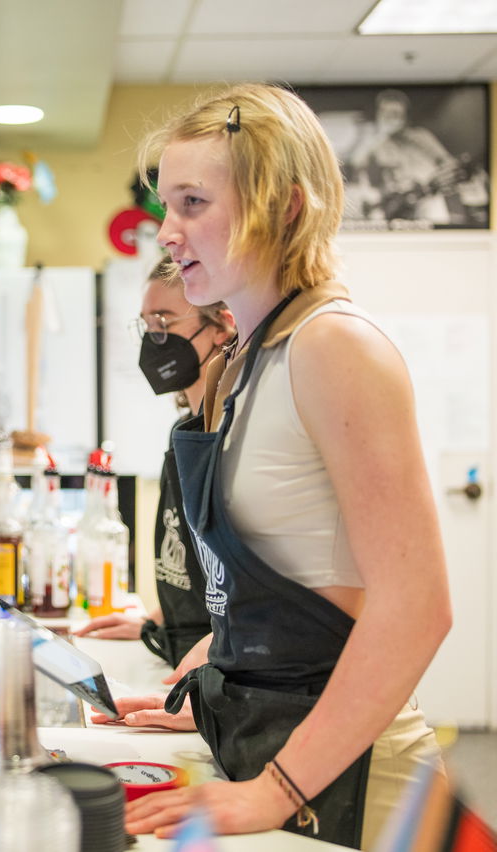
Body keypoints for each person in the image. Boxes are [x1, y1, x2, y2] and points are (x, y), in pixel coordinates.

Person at [111, 83, 452, 850]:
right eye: (167, 206)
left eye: (194, 202)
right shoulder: (247, 361)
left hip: (355, 781)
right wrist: (197, 682)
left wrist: (277, 790)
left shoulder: (336, 349)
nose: (168, 232)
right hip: (265, 742)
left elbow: (417, 606)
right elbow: (267, 589)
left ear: (285, 207)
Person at [74, 258, 233, 668]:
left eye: (164, 320)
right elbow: (196, 565)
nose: (153, 338)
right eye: (146, 325)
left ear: (222, 326)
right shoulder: (184, 433)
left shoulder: (238, 437)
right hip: (185, 660)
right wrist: (160, 620)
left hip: (221, 675)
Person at [346, 88, 472, 225]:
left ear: (405, 116)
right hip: (391, 207)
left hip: (426, 201)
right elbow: (355, 166)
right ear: (378, 114)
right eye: (387, 113)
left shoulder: (420, 136)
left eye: (397, 113)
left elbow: (446, 162)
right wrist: (382, 134)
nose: (393, 118)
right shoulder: (371, 142)